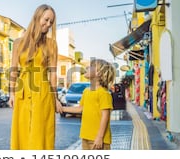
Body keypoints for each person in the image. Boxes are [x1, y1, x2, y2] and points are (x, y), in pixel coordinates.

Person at [8, 4, 63, 150]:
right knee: (23, 132)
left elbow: (52, 73)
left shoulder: (51, 44)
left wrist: (55, 97)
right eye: (46, 20)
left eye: (51, 22)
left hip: (43, 92)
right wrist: (12, 93)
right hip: (23, 92)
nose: (48, 24)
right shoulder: (18, 42)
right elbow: (14, 69)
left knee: (41, 134)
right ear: (37, 17)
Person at [62, 59, 116, 150]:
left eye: (91, 67)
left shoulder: (103, 93)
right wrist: (62, 108)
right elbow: (80, 109)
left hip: (98, 139)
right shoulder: (87, 91)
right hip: (86, 137)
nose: (87, 67)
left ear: (99, 73)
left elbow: (105, 116)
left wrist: (100, 137)